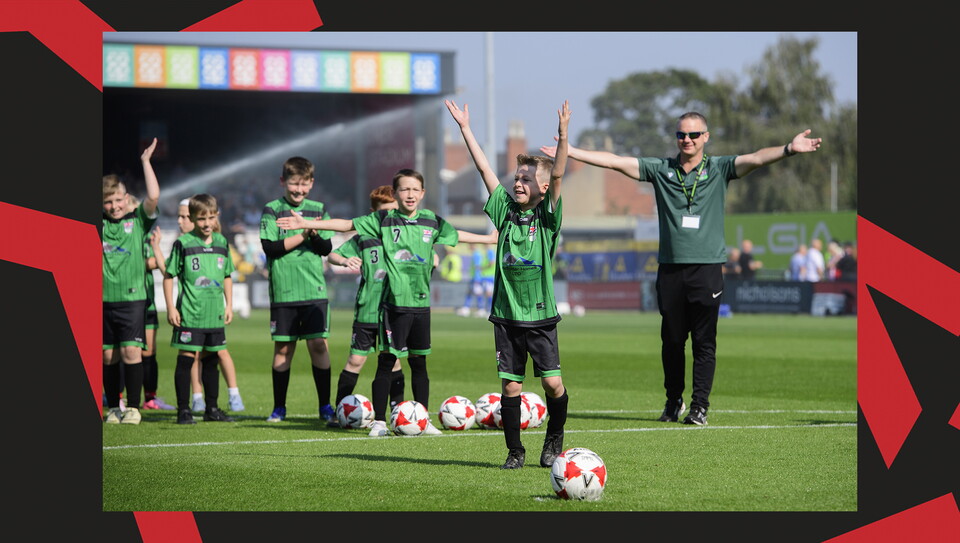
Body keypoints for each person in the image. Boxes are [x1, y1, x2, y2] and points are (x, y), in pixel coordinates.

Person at [541, 111, 822, 426]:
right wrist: (570, 149)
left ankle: (699, 407)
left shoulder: (719, 168)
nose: (686, 140)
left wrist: (788, 148)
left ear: (706, 137)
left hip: (707, 269)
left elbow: (756, 158)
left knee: (705, 342)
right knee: (672, 342)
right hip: (671, 270)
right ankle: (674, 400)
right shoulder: (661, 169)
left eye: (693, 135)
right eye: (681, 135)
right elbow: (614, 161)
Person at [276, 169, 494, 437]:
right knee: (386, 361)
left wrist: (489, 238)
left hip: (421, 306)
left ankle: (422, 420)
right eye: (404, 189)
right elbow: (346, 225)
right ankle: (379, 421)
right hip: (393, 304)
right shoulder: (383, 219)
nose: (410, 194)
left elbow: (457, 234)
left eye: (415, 189)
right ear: (396, 193)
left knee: (419, 364)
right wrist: (306, 224)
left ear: (423, 193)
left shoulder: (431, 222)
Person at [445, 98, 572, 470]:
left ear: (543, 188)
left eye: (526, 179)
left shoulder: (548, 218)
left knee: (553, 386)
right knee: (511, 388)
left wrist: (563, 135)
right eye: (517, 178)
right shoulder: (504, 210)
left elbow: (560, 174)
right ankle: (515, 452)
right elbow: (484, 168)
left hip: (540, 316)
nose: (518, 183)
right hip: (505, 316)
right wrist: (465, 128)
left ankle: (554, 438)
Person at [259, 157, 336, 424]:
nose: (298, 190)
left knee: (318, 345)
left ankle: (325, 406)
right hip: (284, 291)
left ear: (311, 184)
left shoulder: (318, 209)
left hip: (314, 289)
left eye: (304, 185)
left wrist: (311, 230)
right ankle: (279, 407)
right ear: (283, 182)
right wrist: (305, 232)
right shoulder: (271, 210)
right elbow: (271, 249)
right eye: (293, 184)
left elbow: (325, 249)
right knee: (283, 349)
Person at [101, 137, 161, 425]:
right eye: (108, 201)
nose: (114, 206)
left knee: (131, 351)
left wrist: (146, 162)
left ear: (127, 199)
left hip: (133, 298)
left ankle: (134, 407)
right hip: (102, 299)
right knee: (108, 356)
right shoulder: (97, 225)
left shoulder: (137, 220)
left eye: (118, 200)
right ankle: (114, 406)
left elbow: (153, 197)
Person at [162, 194, 236, 424]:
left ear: (216, 217)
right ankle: (183, 410)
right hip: (189, 313)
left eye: (211, 218)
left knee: (211, 360)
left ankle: (211, 409)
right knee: (186, 359)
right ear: (192, 218)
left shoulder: (222, 243)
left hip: (214, 313)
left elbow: (226, 276)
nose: (206, 223)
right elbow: (168, 275)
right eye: (201, 218)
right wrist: (170, 307)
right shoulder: (183, 244)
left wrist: (229, 304)